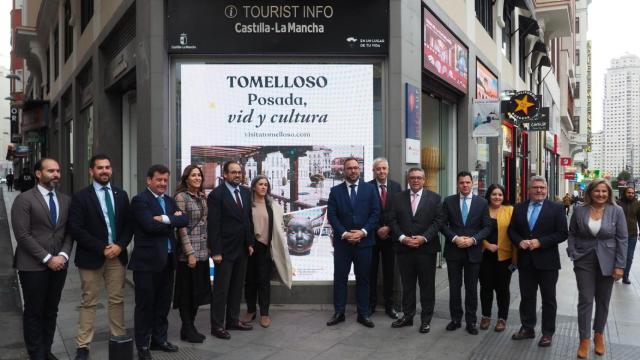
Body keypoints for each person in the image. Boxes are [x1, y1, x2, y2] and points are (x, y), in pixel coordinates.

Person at [69, 155, 133, 360]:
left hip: (116, 256)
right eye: (100, 168)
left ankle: (118, 337)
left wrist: (120, 246)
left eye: (107, 167)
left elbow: (128, 225)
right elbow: (76, 229)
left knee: (117, 299)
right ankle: (83, 345)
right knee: (89, 301)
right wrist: (101, 248)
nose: (104, 171)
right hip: (92, 257)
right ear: (91, 171)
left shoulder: (121, 194)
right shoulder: (80, 197)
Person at [11, 158, 73, 360]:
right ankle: (36, 354)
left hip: (59, 266)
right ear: (38, 174)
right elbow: (22, 235)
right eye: (51, 171)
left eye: (58, 170)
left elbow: (68, 233)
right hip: (32, 266)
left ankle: (46, 351)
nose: (56, 174)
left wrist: (63, 255)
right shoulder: (25, 199)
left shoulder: (65, 200)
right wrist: (48, 258)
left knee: (51, 310)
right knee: (34, 311)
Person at [129, 164, 188, 360]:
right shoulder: (139, 201)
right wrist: (172, 220)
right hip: (146, 264)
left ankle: (159, 339)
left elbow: (184, 220)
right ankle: (143, 345)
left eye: (165, 180)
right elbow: (148, 226)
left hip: (168, 262)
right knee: (145, 305)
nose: (163, 183)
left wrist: (162, 218)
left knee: (163, 304)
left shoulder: (169, 200)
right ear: (149, 180)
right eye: (159, 180)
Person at [567, 179, 627, 358]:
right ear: (590, 192)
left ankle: (598, 335)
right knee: (585, 299)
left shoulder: (617, 211)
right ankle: (584, 339)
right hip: (584, 260)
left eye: (604, 192)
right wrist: (572, 252)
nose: (601, 195)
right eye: (597, 191)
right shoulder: (579, 210)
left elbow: (622, 239)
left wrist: (620, 266)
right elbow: (572, 233)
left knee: (603, 300)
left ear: (609, 193)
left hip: (608, 261)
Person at [509, 176, 568, 347]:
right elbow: (512, 230)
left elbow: (563, 233)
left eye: (542, 187)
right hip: (525, 261)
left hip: (548, 262)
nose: (539, 190)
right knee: (527, 297)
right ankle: (527, 328)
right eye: (535, 187)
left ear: (547, 189)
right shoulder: (519, 208)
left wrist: (540, 242)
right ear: (529, 190)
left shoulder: (556, 208)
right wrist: (519, 241)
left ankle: (547, 333)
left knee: (548, 299)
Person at [326, 157, 380, 328]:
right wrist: (344, 233)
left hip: (364, 243)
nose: (353, 171)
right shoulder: (335, 191)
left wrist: (363, 232)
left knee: (364, 279)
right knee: (340, 278)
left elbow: (375, 213)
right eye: (349, 168)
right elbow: (332, 216)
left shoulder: (370, 189)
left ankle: (363, 314)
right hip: (343, 244)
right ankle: (339, 313)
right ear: (344, 170)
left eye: (356, 168)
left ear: (360, 169)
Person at [389, 168, 443, 334]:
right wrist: (402, 238)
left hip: (426, 249)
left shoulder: (435, 198)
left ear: (424, 180)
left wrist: (423, 238)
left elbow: (438, 221)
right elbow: (392, 220)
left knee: (427, 286)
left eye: (419, 178)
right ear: (408, 179)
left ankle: (426, 320)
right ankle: (407, 316)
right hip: (404, 249)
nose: (415, 181)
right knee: (408, 285)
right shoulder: (398, 198)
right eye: (412, 178)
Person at [441, 170, 492, 335]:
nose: (464, 185)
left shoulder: (482, 203)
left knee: (471, 289)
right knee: (454, 288)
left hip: (473, 251)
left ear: (472, 183)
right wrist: (455, 238)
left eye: (467, 182)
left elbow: (487, 227)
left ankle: (471, 321)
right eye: (461, 182)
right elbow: (442, 225)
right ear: (457, 184)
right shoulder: (448, 201)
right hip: (453, 251)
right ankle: (455, 319)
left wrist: (473, 240)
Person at [208, 161, 254, 340]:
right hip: (224, 251)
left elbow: (247, 220)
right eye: (233, 172)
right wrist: (216, 251)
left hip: (242, 249)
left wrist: (249, 243)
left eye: (239, 172)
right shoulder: (216, 195)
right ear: (225, 175)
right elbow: (214, 225)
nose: (237, 175)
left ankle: (233, 320)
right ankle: (217, 325)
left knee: (236, 287)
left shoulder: (245, 192)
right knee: (221, 289)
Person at [241, 175, 293, 328]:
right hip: (249, 247)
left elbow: (279, 226)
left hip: (265, 248)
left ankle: (264, 313)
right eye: (260, 184)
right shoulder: (247, 205)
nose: (263, 187)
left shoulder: (273, 205)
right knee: (249, 281)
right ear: (254, 187)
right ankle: (251, 310)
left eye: (265, 185)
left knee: (264, 281)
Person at [172, 165, 211, 343]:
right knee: (187, 293)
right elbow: (181, 228)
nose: (197, 178)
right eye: (193, 175)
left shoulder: (203, 197)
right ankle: (187, 327)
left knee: (197, 293)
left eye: (199, 175)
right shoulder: (181, 197)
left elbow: (205, 224)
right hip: (188, 255)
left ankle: (190, 327)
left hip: (202, 252)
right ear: (186, 178)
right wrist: (190, 253)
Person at [478, 184, 516, 332]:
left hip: (504, 257)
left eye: (500, 194)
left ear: (504, 196)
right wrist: (486, 245)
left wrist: (515, 259)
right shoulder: (482, 209)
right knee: (485, 287)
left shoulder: (510, 210)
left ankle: (502, 318)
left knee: (503, 289)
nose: (497, 197)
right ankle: (485, 316)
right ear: (489, 195)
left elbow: (515, 232)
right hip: (484, 255)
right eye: (494, 194)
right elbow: (475, 230)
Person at [368, 157, 402, 319]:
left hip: (390, 237)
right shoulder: (366, 187)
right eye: (378, 169)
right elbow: (365, 212)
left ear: (388, 170)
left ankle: (390, 306)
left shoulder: (396, 187)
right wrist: (376, 229)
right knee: (371, 272)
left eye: (384, 168)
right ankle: (371, 305)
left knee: (389, 274)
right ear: (373, 171)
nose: (381, 171)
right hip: (372, 238)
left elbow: (399, 212)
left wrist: (388, 228)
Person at [616, 187, 640, 284]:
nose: (630, 194)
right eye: (628, 192)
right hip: (618, 235)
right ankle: (616, 273)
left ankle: (625, 276)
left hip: (632, 235)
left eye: (632, 193)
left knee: (629, 257)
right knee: (618, 255)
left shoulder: (637, 204)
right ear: (624, 193)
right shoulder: (618, 204)